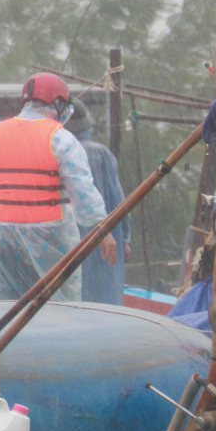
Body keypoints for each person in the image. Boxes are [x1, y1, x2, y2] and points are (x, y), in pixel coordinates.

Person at [0, 73, 116, 302]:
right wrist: (102, 228)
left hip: (2, 235)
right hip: (49, 235)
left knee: (13, 307)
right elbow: (82, 189)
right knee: (60, 307)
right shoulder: (61, 138)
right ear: (58, 104)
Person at [65, 98, 131, 304]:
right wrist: (125, 239)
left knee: (74, 297)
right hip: (106, 237)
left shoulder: (59, 152)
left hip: (70, 239)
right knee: (106, 300)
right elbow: (118, 198)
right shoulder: (102, 153)